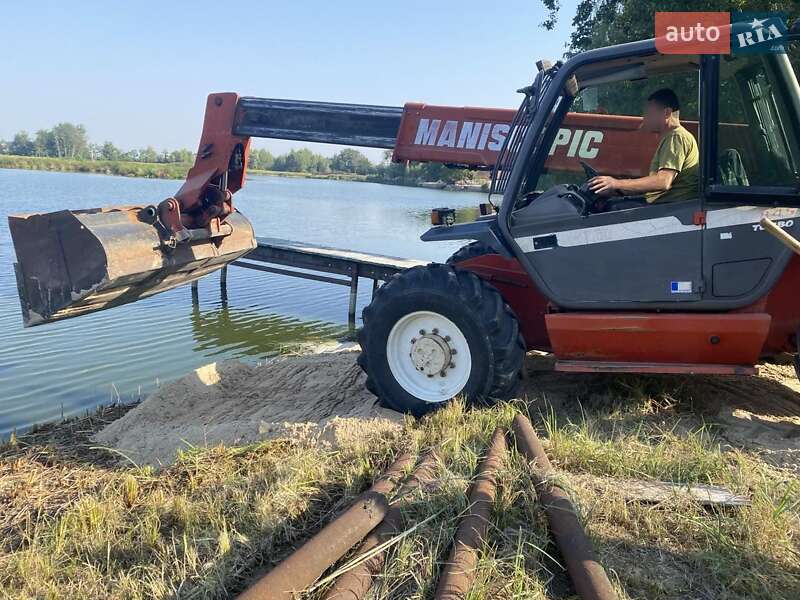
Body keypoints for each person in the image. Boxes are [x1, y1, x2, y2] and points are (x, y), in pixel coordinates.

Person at [588, 88, 699, 205]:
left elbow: (663, 181)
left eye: (649, 114)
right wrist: (617, 190)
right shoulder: (671, 137)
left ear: (666, 113)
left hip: (669, 209)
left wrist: (615, 183)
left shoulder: (677, 137)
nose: (645, 119)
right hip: (663, 205)